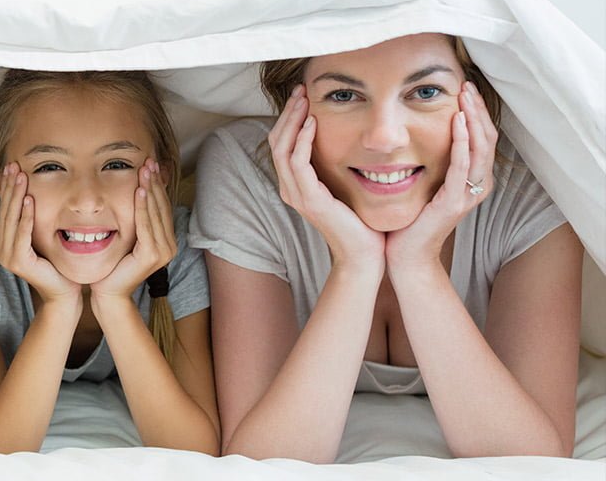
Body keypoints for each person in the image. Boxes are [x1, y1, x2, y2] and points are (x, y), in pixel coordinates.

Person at [193, 33, 583, 462]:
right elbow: (265, 460)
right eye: (343, 95)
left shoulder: (531, 175)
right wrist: (355, 265)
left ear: (477, 102)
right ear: (295, 107)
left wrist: (417, 265)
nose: (385, 137)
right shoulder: (246, 171)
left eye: (426, 91)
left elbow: (532, 462)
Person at [0, 69, 220, 456]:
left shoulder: (178, 248)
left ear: (161, 174)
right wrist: (59, 305)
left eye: (116, 164)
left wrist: (114, 301)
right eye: (50, 167)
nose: (86, 199)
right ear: (2, 182)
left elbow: (193, 452)